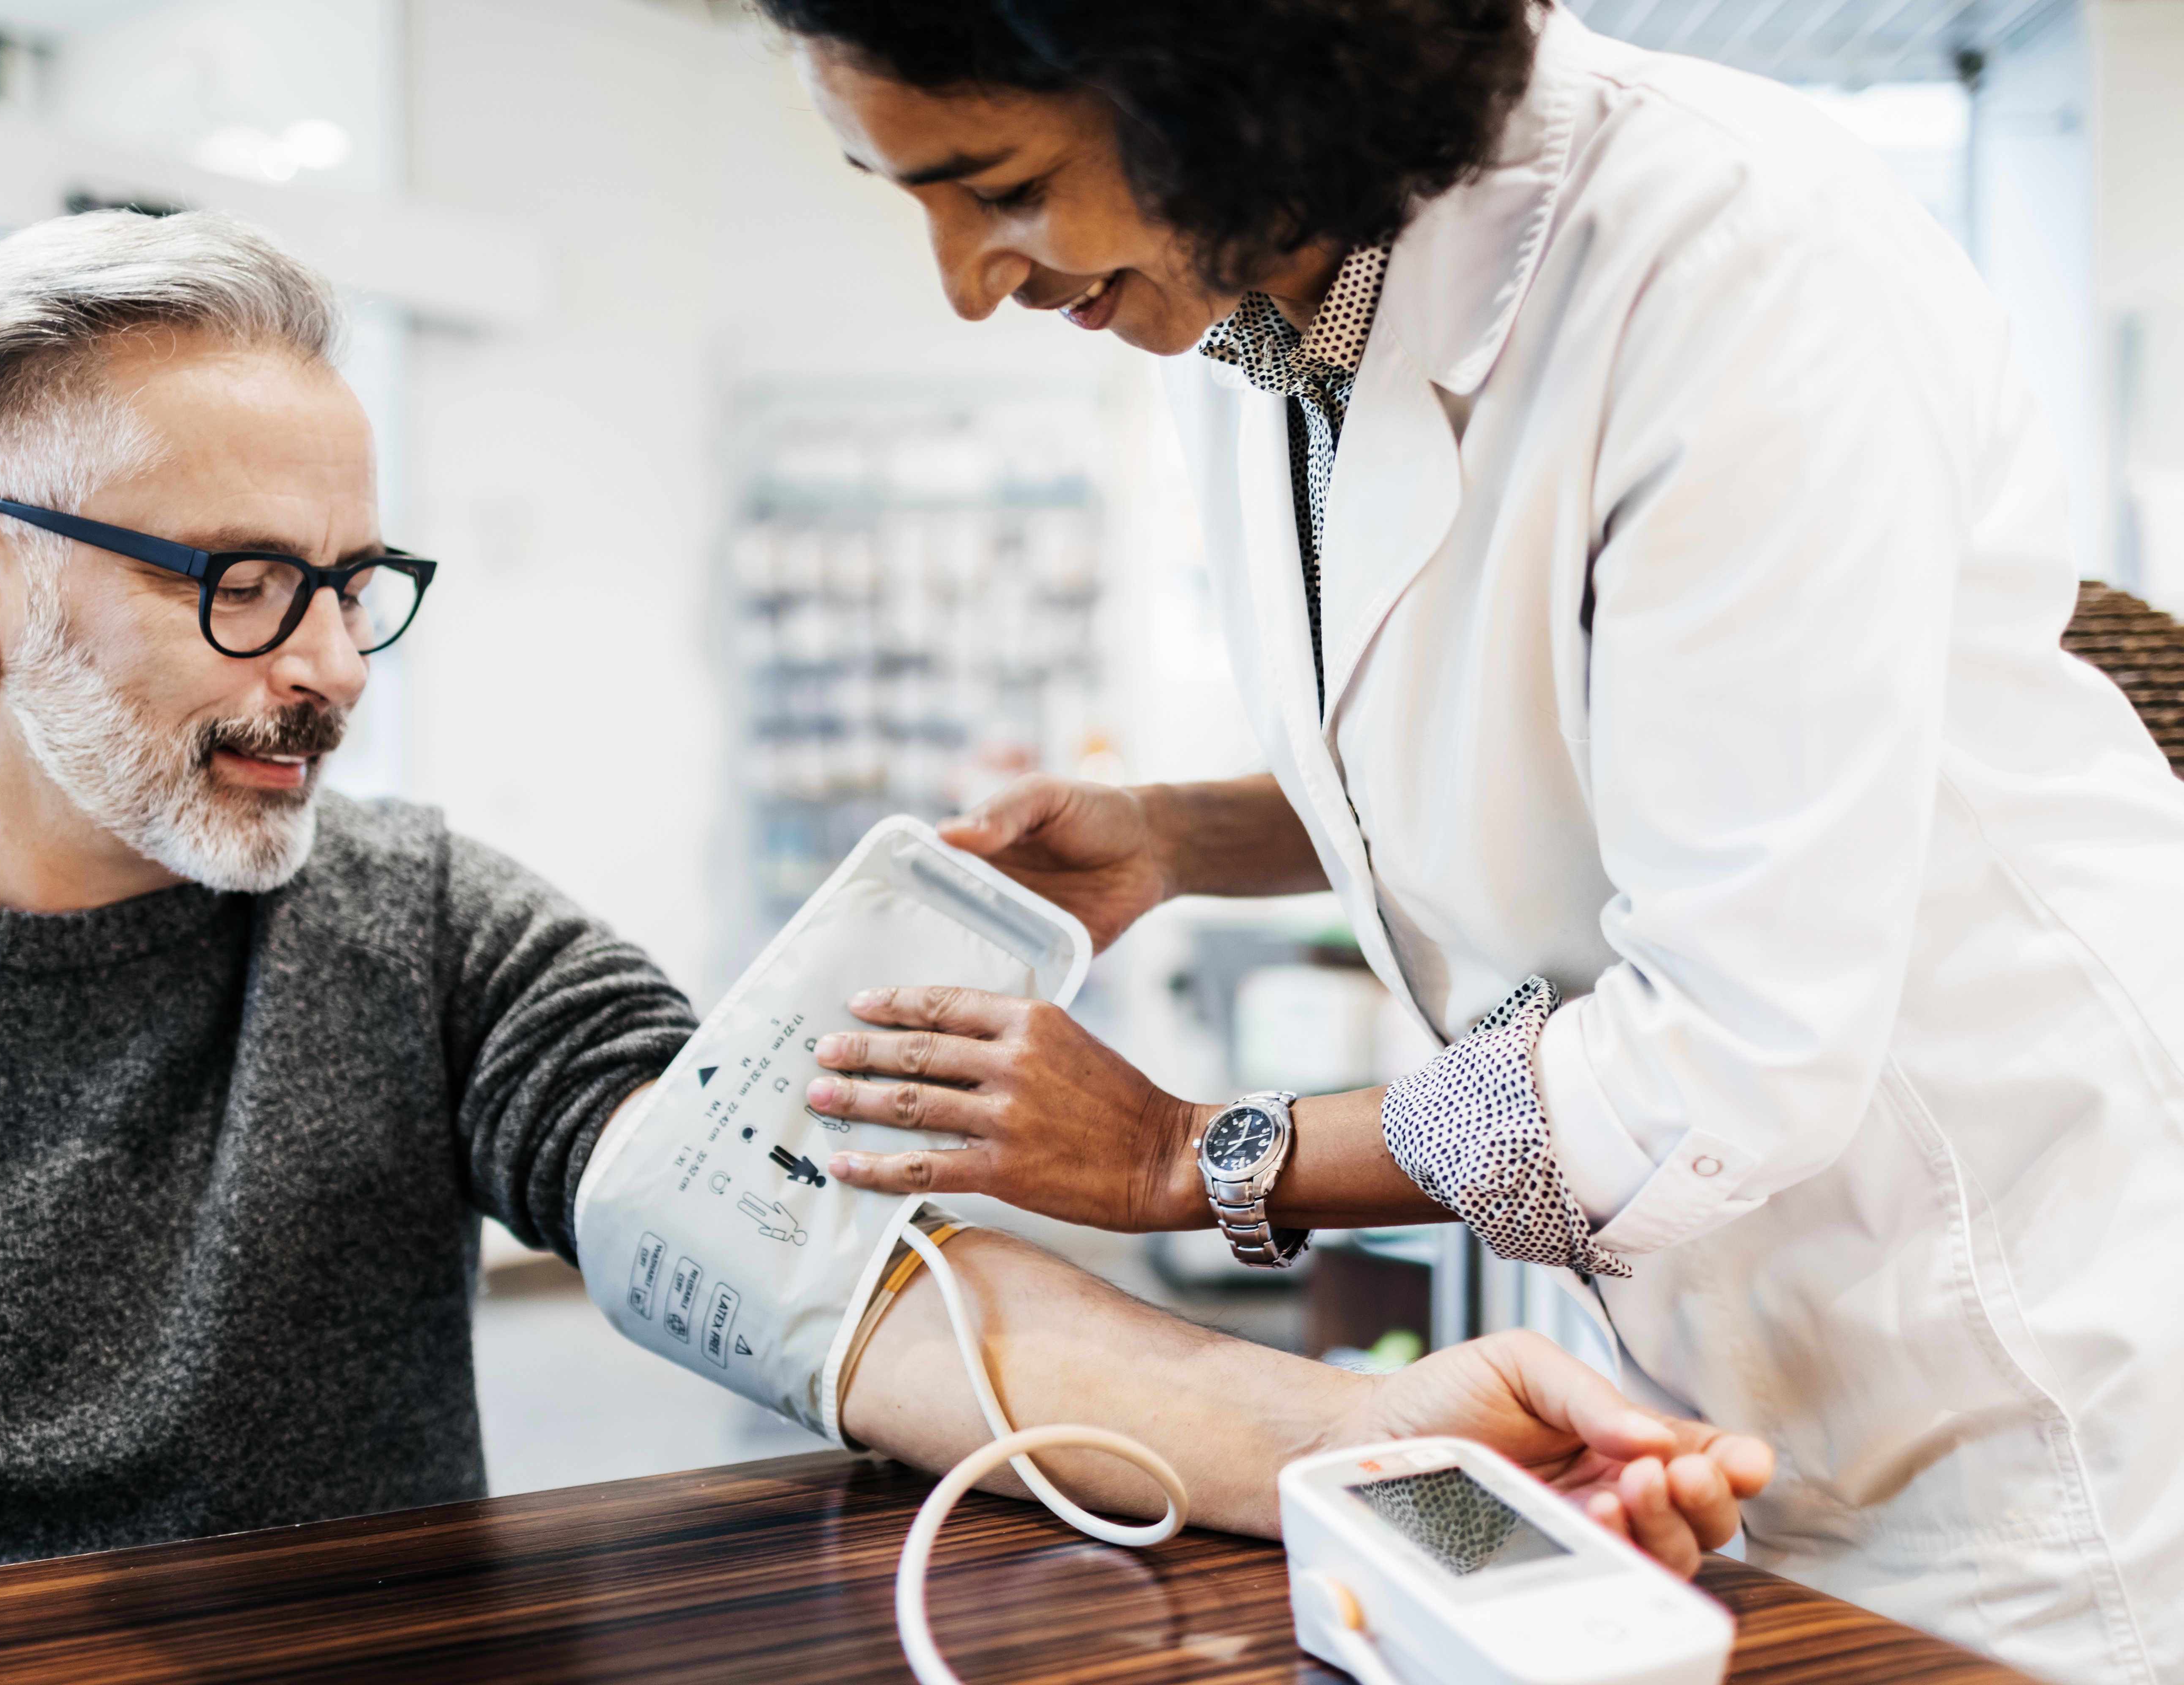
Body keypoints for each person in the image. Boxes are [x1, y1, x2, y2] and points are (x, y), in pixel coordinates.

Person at [0, 209, 1767, 1607]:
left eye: (353, 585)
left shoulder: (419, 926)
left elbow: (820, 1271)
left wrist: (1349, 1427)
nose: (327, 667)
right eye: (239, 583)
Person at [767, 1, 2184, 1678]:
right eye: (907, 195)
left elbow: (1730, 1052)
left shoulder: (1729, 265)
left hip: (2022, 1364)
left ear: (1223, 77)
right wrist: (1177, 836)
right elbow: (1519, 742)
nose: (965, 279)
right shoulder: (1249, 316)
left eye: (994, 185)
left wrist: (1198, 1157)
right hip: (1716, 1360)